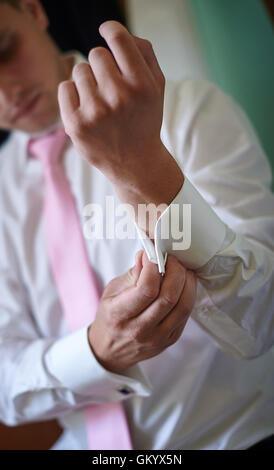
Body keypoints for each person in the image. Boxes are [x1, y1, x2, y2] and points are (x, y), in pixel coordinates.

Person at [0, 0, 273, 451]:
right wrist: (98, 351)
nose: (5, 91)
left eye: (4, 49)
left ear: (33, 10)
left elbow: (264, 318)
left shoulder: (187, 111)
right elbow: (7, 383)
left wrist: (144, 168)